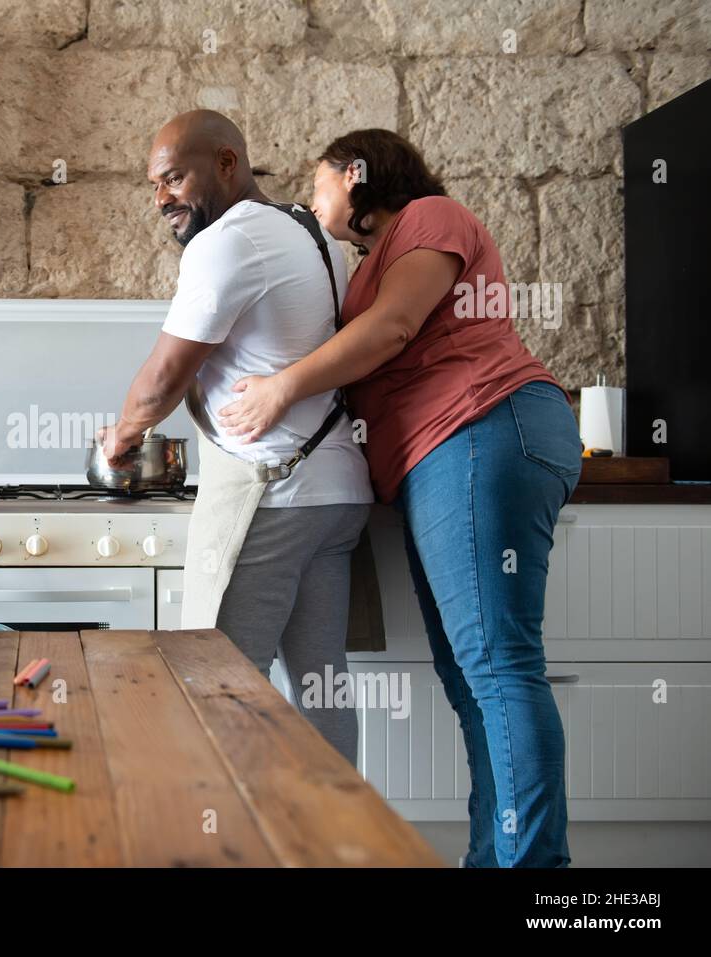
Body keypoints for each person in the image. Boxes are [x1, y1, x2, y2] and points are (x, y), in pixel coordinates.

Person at [217, 129, 582, 867]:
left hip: (482, 425)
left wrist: (282, 387)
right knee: (470, 673)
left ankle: (538, 875)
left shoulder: (428, 217)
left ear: (355, 174)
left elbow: (394, 326)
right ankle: (495, 857)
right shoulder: (373, 259)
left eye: (318, 182)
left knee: (496, 664)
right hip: (452, 449)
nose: (312, 196)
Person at [101, 110, 373, 764]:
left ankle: (221, 837)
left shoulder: (226, 242)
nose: (161, 198)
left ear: (226, 163)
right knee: (319, 683)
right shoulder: (312, 234)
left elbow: (166, 372)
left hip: (272, 495)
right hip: (335, 494)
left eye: (174, 179)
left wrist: (121, 438)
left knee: (217, 677)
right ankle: (333, 841)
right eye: (154, 185)